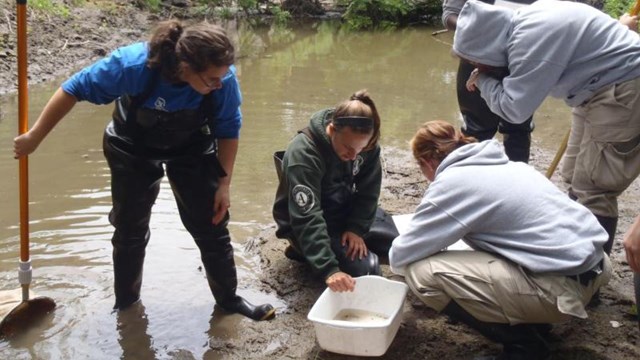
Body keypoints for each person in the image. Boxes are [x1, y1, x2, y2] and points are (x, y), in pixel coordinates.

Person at [13, 20, 275, 321]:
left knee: (212, 225)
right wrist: (35, 137)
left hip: (192, 147)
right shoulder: (133, 65)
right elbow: (73, 89)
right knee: (129, 230)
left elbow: (229, 129)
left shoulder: (223, 82)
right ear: (185, 66)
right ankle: (126, 308)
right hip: (132, 145)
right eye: (212, 79)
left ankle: (229, 301)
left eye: (222, 77)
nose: (220, 83)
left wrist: (224, 184)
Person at [389, 120, 610, 360]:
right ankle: (535, 321)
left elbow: (401, 256)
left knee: (421, 273)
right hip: (597, 267)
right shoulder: (512, 166)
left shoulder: (451, 184)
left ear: (427, 162)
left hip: (562, 292)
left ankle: (523, 345)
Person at [455, 0, 640, 261]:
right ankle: (575, 253)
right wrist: (488, 75)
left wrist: (483, 81)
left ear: (488, 47)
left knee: (596, 188)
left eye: (479, 62)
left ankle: (589, 277)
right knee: (575, 174)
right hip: (590, 90)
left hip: (623, 87)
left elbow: (514, 110)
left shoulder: (531, 41)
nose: (479, 68)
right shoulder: (520, 25)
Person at [272, 90, 397, 293]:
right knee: (367, 271)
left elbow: (369, 191)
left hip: (342, 210)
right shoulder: (304, 154)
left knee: (395, 245)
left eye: (360, 149)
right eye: (348, 148)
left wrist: (356, 229)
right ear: (332, 129)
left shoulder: (366, 145)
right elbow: (307, 217)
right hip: (307, 220)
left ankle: (313, 250)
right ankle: (302, 249)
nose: (353, 155)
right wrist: (329, 270)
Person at [442, 0, 535, 163]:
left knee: (519, 128)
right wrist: (484, 27)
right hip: (477, 56)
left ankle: (518, 179)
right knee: (476, 129)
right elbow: (449, 16)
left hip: (521, 58)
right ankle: (470, 179)